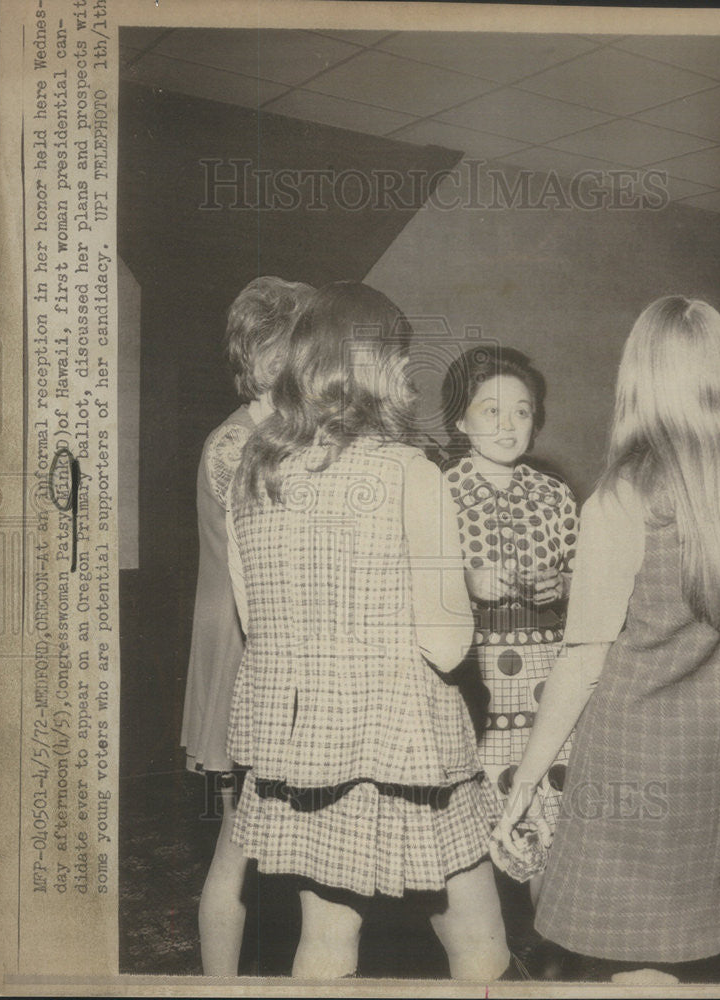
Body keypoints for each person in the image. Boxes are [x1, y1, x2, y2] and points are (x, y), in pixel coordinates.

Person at [492, 296, 720, 983]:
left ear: (638, 379)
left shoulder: (624, 499)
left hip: (627, 774)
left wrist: (524, 778)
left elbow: (581, 661)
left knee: (626, 965)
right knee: (665, 966)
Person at [226, 281, 511, 980]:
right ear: (381, 367)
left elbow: (252, 617)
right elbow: (446, 644)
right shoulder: (409, 471)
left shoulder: (250, 473)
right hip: (405, 743)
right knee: (481, 949)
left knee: (324, 944)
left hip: (301, 746)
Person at [180, 275, 314, 976]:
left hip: (258, 646)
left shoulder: (279, 435)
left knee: (293, 848)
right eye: (293, 348)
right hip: (245, 652)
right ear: (262, 359)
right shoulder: (240, 444)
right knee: (237, 842)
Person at [440, 347, 579, 974]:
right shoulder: (440, 491)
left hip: (547, 688)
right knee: (480, 827)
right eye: (490, 410)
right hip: (475, 686)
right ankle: (495, 956)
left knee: (552, 817)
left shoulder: (553, 495)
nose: (507, 424)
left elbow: (584, 578)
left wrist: (565, 586)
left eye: (521, 411)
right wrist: (465, 581)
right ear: (460, 421)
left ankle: (551, 948)